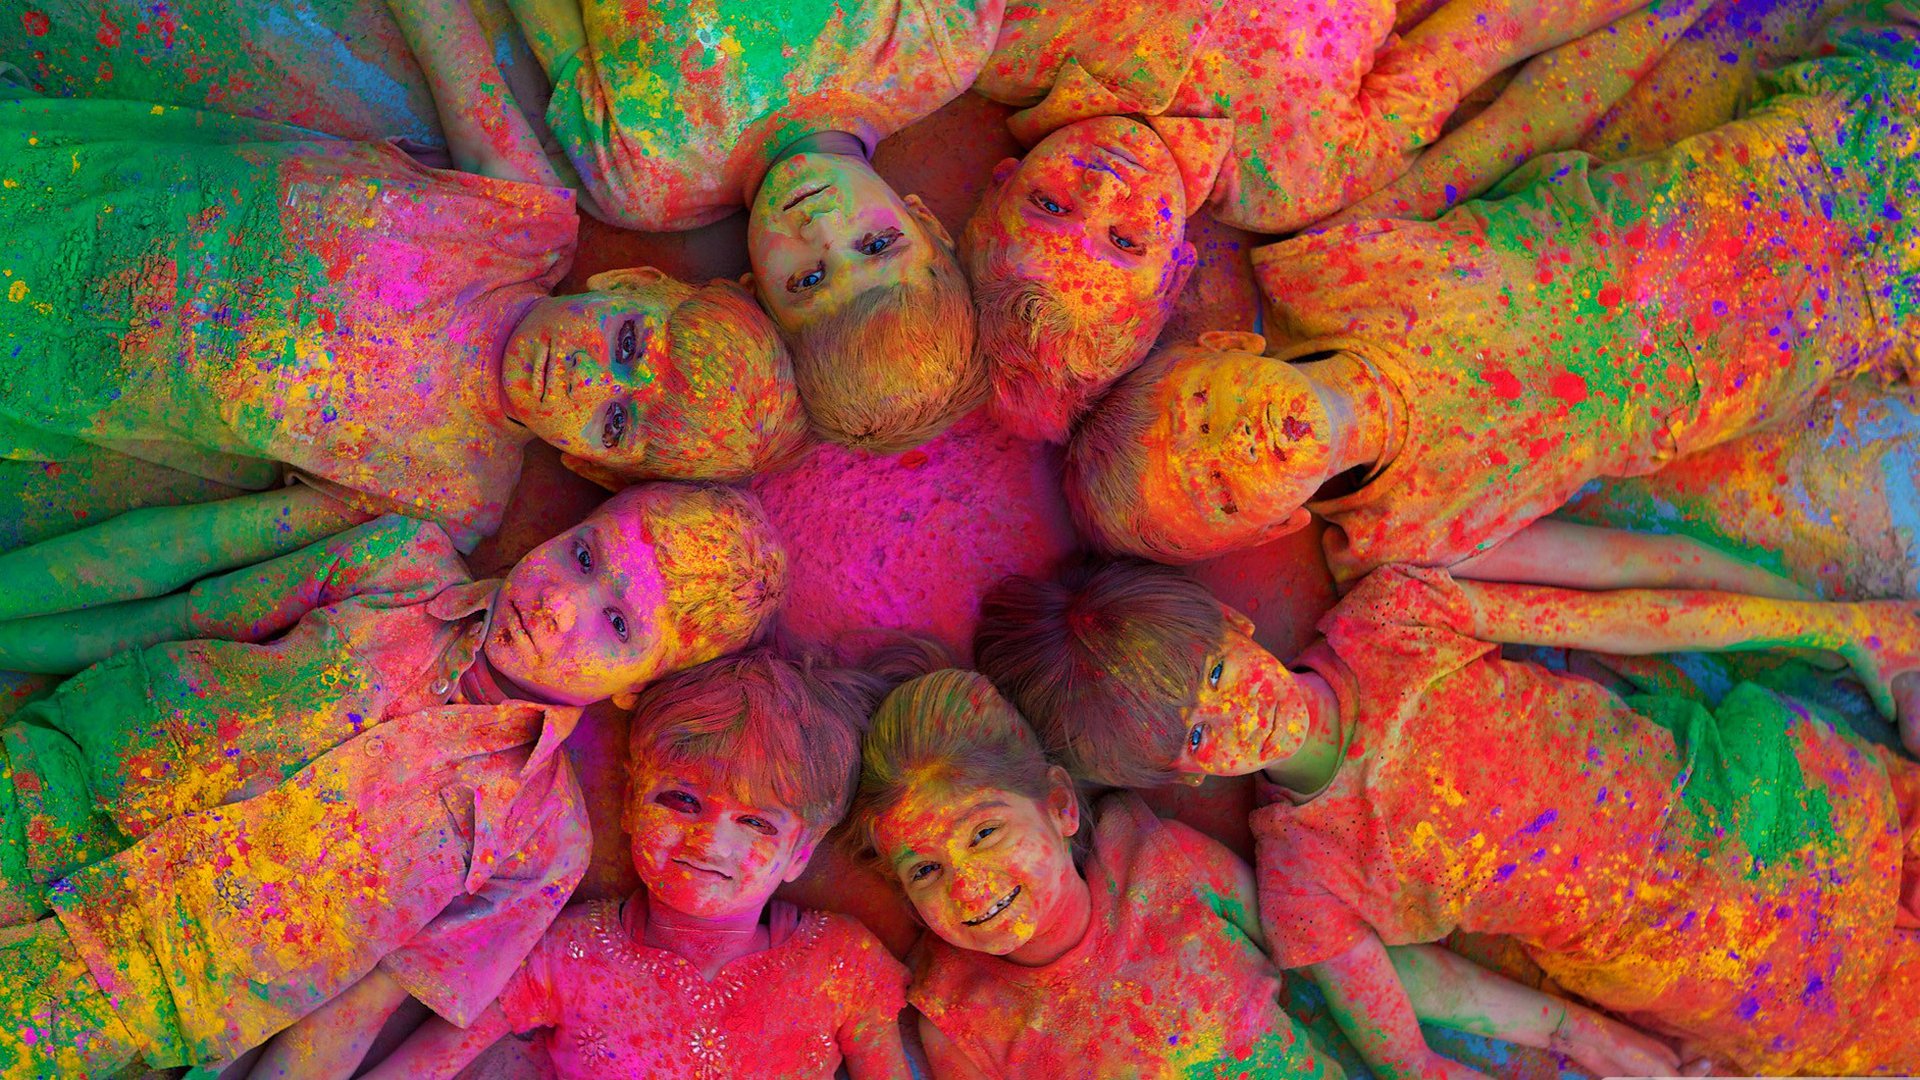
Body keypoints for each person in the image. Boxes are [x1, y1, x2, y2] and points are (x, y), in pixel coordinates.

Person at [1065, 3, 1920, 581]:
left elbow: (1518, 128)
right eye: (1221, 490)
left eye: (1203, 415)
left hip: (1813, 171)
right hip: (1842, 332)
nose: (1240, 444)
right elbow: (1620, 564)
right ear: (1270, 530)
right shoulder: (1403, 536)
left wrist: (1664, 14)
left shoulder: (1328, 269)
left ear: (1225, 347)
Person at [974, 557, 1920, 1072]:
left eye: (1217, 675)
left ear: (1239, 629)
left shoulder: (1393, 623)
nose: (1232, 718)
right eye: (1189, 736)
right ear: (1180, 779)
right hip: (1738, 967)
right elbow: (1407, 1055)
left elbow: (1619, 613)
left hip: (1784, 798)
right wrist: (1583, 1039)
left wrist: (1829, 627)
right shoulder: (1306, 875)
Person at [0, 83, 807, 574]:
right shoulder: (521, 221)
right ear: (632, 281)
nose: (588, 376)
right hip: (62, 175)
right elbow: (442, 31)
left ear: (591, 464)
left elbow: (197, 544)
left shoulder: (449, 498)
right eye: (629, 343)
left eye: (616, 417)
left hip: (39, 364)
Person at [0, 481, 785, 925]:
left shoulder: (543, 841)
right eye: (582, 555)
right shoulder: (400, 562)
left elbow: (354, 1003)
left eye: (617, 624)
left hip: (121, 970)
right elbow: (179, 615)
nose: (558, 605)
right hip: (47, 782)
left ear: (637, 685)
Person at [847, 667, 1692, 1078]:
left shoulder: (1163, 867)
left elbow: (1348, 963)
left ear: (1061, 808)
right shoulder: (959, 1016)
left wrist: (1569, 1033)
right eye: (923, 869)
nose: (966, 885)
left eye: (984, 831)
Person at [960, 0, 1704, 440]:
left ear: (1003, 182)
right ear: (1177, 265)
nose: (1102, 189)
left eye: (1051, 206)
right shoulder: (1295, 178)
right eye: (1125, 241)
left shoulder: (1016, 40)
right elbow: (1489, 35)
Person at [397, 0, 994, 452]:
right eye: (876, 244)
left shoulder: (645, 185)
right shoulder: (938, 45)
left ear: (753, 290)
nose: (822, 227)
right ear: (928, 225)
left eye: (808, 279)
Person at [357, 649, 912, 1079]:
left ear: (802, 853)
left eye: (757, 823)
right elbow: (420, 1067)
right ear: (629, 803)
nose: (709, 840)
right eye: (682, 801)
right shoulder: (565, 954)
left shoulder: (842, 966)